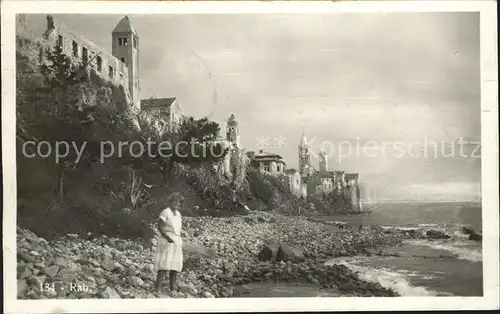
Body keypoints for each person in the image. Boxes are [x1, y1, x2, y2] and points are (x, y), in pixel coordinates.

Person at [154, 192, 184, 293]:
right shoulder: (165, 212)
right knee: (164, 263)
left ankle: (172, 287)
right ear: (171, 201)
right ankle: (157, 287)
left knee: (175, 265)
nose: (177, 204)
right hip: (167, 240)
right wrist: (167, 237)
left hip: (176, 241)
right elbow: (160, 227)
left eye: (179, 202)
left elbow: (177, 228)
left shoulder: (178, 214)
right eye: (175, 201)